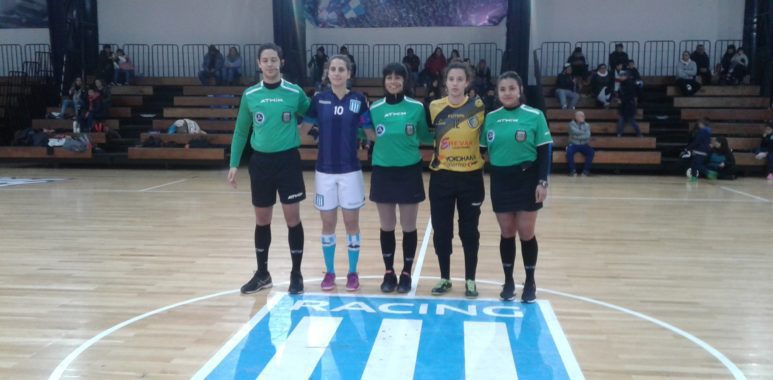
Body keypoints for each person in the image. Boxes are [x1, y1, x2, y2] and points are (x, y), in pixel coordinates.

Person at [227, 43, 311, 295]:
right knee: (262, 220)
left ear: (281, 62)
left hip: (288, 162)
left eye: (274, 59)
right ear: (259, 64)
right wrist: (233, 164)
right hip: (261, 163)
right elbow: (242, 131)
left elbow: (313, 114)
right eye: (266, 60)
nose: (271, 64)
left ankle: (296, 273)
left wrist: (305, 130)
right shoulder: (250, 94)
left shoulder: (294, 92)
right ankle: (262, 274)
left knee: (292, 218)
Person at [480, 71, 552, 303]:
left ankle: (530, 281)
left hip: (527, 179)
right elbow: (482, 151)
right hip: (500, 180)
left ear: (520, 90)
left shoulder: (535, 115)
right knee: (507, 231)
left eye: (511, 88)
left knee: (526, 232)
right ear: (498, 93)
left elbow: (544, 152)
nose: (507, 93)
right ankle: (508, 280)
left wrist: (542, 182)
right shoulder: (490, 118)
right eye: (503, 89)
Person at [304, 55, 374, 292]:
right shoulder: (318, 100)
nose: (336, 73)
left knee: (351, 222)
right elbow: (304, 128)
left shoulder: (359, 100)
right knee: (328, 223)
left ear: (348, 73)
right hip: (324, 171)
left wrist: (379, 133)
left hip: (350, 171)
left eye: (341, 69)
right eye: (332, 69)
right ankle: (330, 272)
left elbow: (370, 131)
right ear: (327, 73)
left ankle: (353, 273)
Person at [369, 63, 432, 294]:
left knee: (408, 226)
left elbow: (425, 135)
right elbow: (363, 132)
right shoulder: (374, 108)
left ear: (405, 81)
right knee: (387, 226)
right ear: (384, 81)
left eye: (398, 78)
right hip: (383, 172)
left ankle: (406, 273)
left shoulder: (416, 107)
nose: (393, 81)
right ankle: (388, 272)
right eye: (389, 77)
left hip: (409, 172)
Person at [427, 61, 486, 298]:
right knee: (442, 231)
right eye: (451, 79)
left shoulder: (479, 107)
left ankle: (470, 280)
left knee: (469, 231)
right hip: (441, 178)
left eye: (460, 79)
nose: (455, 84)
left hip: (471, 178)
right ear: (445, 82)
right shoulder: (434, 106)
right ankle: (445, 278)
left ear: (467, 82)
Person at [566, 111, 594, 176]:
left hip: (584, 144)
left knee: (591, 152)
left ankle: (586, 171)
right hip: (573, 144)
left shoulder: (587, 125)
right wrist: (583, 132)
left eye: (583, 115)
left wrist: (578, 135)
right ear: (576, 117)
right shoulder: (571, 124)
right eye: (581, 116)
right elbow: (573, 133)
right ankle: (572, 171)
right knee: (569, 151)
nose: (583, 117)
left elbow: (587, 135)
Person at [616, 70, 641, 137]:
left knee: (631, 121)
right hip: (625, 105)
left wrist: (621, 100)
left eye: (622, 76)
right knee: (623, 120)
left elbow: (630, 95)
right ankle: (620, 133)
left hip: (628, 106)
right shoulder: (623, 83)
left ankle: (638, 133)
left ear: (625, 76)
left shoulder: (630, 84)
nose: (620, 77)